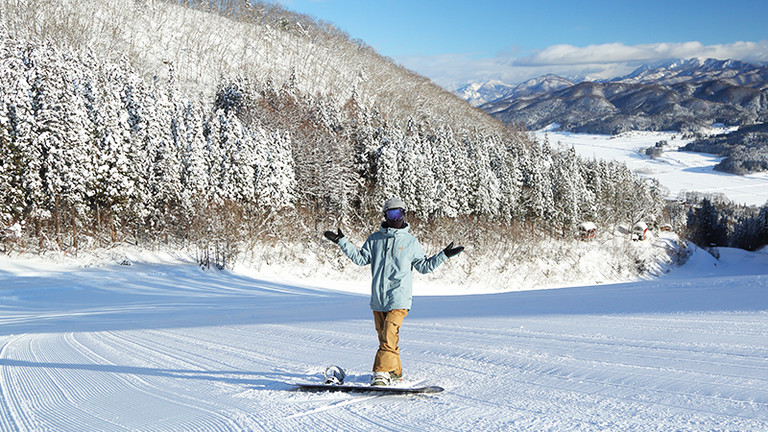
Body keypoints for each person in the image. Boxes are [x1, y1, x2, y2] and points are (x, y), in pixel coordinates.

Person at [323, 198, 464, 386]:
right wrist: (342, 242)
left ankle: (381, 373)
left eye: (399, 213)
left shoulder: (410, 242)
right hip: (378, 300)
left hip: (400, 298)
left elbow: (424, 267)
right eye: (392, 214)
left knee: (389, 333)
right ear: (385, 216)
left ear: (404, 215)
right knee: (386, 337)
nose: (396, 218)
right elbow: (360, 258)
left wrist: (443, 255)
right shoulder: (375, 239)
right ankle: (395, 372)